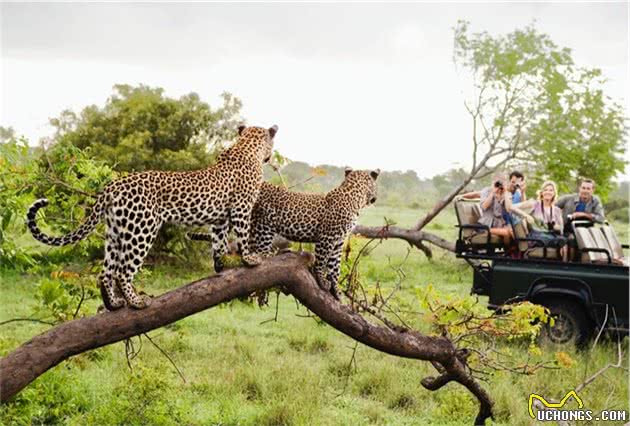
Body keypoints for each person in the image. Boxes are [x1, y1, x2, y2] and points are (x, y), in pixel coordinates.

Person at [511, 181, 568, 261]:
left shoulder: (557, 210)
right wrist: (526, 215)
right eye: (546, 190)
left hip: (552, 233)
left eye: (551, 190)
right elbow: (512, 207)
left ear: (554, 193)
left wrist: (554, 226)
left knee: (564, 243)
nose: (548, 192)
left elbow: (561, 229)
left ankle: (563, 268)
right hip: (537, 235)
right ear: (542, 192)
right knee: (553, 241)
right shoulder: (534, 204)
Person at [476, 173, 515, 245]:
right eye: (498, 181)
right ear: (493, 181)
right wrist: (493, 192)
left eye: (502, 181)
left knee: (513, 231)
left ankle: (509, 253)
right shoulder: (486, 191)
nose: (499, 184)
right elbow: (484, 207)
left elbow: (508, 209)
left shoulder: (506, 193)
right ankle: (508, 254)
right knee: (507, 232)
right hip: (485, 226)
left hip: (499, 225)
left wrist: (505, 192)